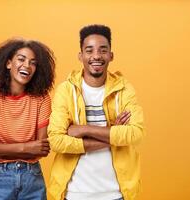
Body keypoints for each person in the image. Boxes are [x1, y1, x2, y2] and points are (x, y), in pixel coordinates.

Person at [47, 24, 145, 200]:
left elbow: (135, 133)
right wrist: (113, 133)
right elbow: (56, 140)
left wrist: (83, 129)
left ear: (111, 55)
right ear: (81, 55)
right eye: (89, 50)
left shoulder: (124, 89)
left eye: (103, 50)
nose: (96, 56)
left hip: (116, 193)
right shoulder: (66, 90)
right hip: (74, 193)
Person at [0, 38, 55, 200]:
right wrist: (26, 147)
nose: (27, 66)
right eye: (21, 59)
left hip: (32, 177)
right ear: (8, 63)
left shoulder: (42, 99)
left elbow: (41, 149)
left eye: (33, 63)